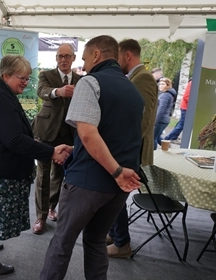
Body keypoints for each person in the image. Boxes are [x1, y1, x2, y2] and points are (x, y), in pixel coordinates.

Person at [40, 35, 143, 280]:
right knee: (96, 241)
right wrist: (76, 150)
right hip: (119, 186)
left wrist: (115, 172)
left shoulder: (90, 82)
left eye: (84, 58)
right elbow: (115, 136)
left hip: (90, 181)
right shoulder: (132, 89)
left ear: (96, 55)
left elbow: (87, 134)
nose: (83, 65)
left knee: (62, 242)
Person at [0, 55, 72, 275]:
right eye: (22, 78)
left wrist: (36, 144)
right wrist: (50, 151)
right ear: (6, 75)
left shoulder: (1, 93)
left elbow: (12, 134)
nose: (26, 82)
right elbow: (14, 140)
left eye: (28, 78)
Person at [106, 38, 158, 258]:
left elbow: (142, 120)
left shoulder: (143, 78)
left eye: (117, 56)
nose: (116, 62)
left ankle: (122, 243)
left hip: (130, 151)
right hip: (129, 149)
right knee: (112, 195)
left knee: (114, 196)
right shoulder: (136, 77)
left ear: (127, 55)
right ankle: (114, 234)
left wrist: (124, 148)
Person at [31, 43, 80, 234]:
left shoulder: (80, 79)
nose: (63, 60)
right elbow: (41, 91)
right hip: (46, 131)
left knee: (59, 174)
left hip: (68, 134)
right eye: (60, 56)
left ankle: (52, 207)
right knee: (43, 175)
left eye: (67, 56)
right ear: (56, 58)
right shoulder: (46, 75)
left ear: (74, 58)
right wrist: (57, 92)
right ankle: (40, 217)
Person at [153, 77, 176, 150]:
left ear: (168, 85)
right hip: (164, 119)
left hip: (161, 120)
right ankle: (168, 147)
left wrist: (155, 121)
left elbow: (161, 110)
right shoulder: (167, 94)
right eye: (160, 84)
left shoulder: (165, 95)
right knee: (157, 136)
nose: (161, 86)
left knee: (152, 138)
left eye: (163, 84)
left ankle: (153, 153)